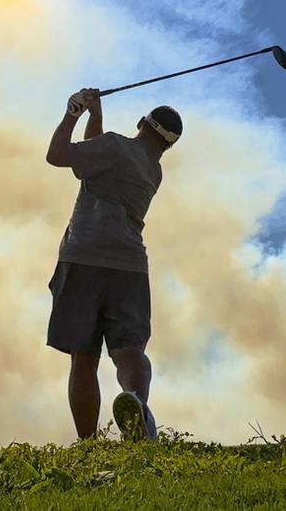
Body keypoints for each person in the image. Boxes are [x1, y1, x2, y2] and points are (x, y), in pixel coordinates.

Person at [44, 86, 182, 442]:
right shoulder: (152, 170)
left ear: (141, 122)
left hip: (84, 258)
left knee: (84, 357)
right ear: (168, 145)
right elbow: (95, 158)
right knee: (129, 352)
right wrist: (97, 116)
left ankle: (89, 444)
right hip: (131, 268)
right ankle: (137, 403)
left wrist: (73, 111)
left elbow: (57, 155)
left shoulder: (117, 147)